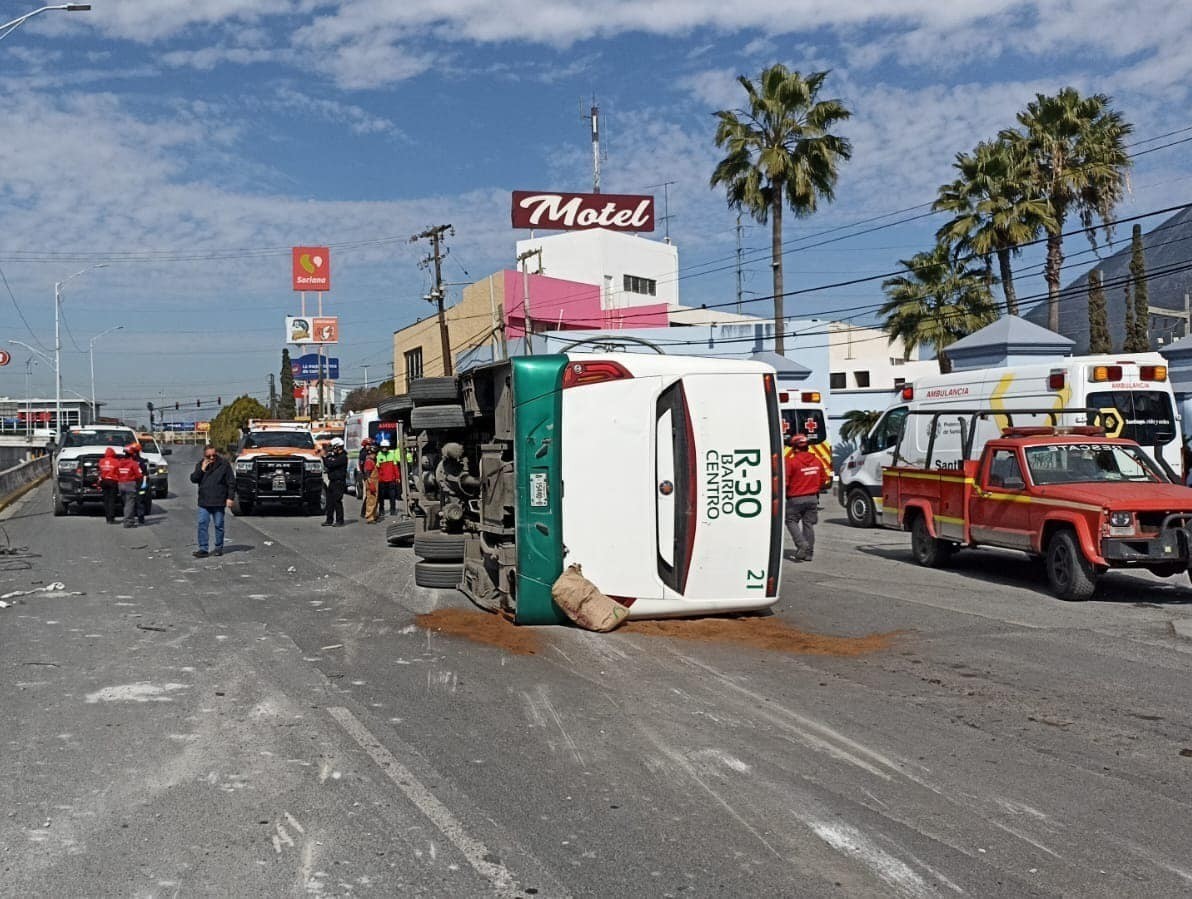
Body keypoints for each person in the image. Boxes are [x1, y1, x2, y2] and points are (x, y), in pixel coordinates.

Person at [784, 433, 830, 562]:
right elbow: (823, 480)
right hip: (812, 498)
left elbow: (785, 482)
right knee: (808, 524)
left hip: (795, 498)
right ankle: (809, 553)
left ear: (795, 448)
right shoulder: (817, 461)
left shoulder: (791, 462)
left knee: (790, 520)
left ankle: (801, 544)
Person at [190, 444, 235, 557]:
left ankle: (218, 547)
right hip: (204, 501)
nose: (211, 458)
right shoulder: (200, 464)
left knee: (219, 524)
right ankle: (203, 549)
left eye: (213, 455)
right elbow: (194, 479)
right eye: (208, 456)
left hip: (219, 500)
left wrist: (230, 498)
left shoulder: (224, 464)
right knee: (202, 523)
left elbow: (231, 482)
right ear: (204, 456)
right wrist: (202, 470)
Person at [322, 437, 348, 527]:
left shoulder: (343, 457)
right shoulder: (334, 456)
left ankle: (340, 520)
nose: (333, 449)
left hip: (339, 482)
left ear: (338, 447)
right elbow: (329, 462)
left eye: (334, 447)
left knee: (337, 501)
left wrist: (324, 457)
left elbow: (330, 464)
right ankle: (329, 520)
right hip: (332, 481)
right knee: (329, 502)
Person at [116, 446, 143, 528]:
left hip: (120, 484)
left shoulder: (119, 463)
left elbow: (116, 472)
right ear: (133, 454)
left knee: (126, 503)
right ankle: (128, 522)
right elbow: (139, 475)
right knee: (129, 504)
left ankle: (129, 519)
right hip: (130, 484)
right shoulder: (133, 463)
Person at [126, 442, 150, 525]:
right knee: (131, 501)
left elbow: (145, 474)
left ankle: (140, 518)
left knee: (139, 501)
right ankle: (133, 517)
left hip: (140, 483)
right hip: (131, 483)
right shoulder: (130, 461)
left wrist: (144, 485)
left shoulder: (141, 462)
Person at [376, 438, 400, 516]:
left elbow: (395, 467)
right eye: (383, 447)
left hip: (391, 479)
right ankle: (381, 510)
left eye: (386, 447)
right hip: (381, 480)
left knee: (392, 496)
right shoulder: (378, 455)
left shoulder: (392, 455)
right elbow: (377, 469)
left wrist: (397, 477)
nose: (384, 448)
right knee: (381, 497)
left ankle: (393, 510)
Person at [97, 446, 120, 524]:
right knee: (112, 500)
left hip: (104, 481)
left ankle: (107, 517)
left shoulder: (101, 461)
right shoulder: (116, 461)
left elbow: (100, 471)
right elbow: (118, 472)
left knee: (106, 500)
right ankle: (111, 517)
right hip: (113, 481)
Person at [361, 445, 380, 523]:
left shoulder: (372, 461)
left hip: (374, 481)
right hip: (372, 481)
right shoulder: (369, 461)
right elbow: (367, 473)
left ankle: (373, 515)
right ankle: (369, 517)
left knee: (375, 499)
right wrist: (370, 483)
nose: (374, 455)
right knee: (371, 500)